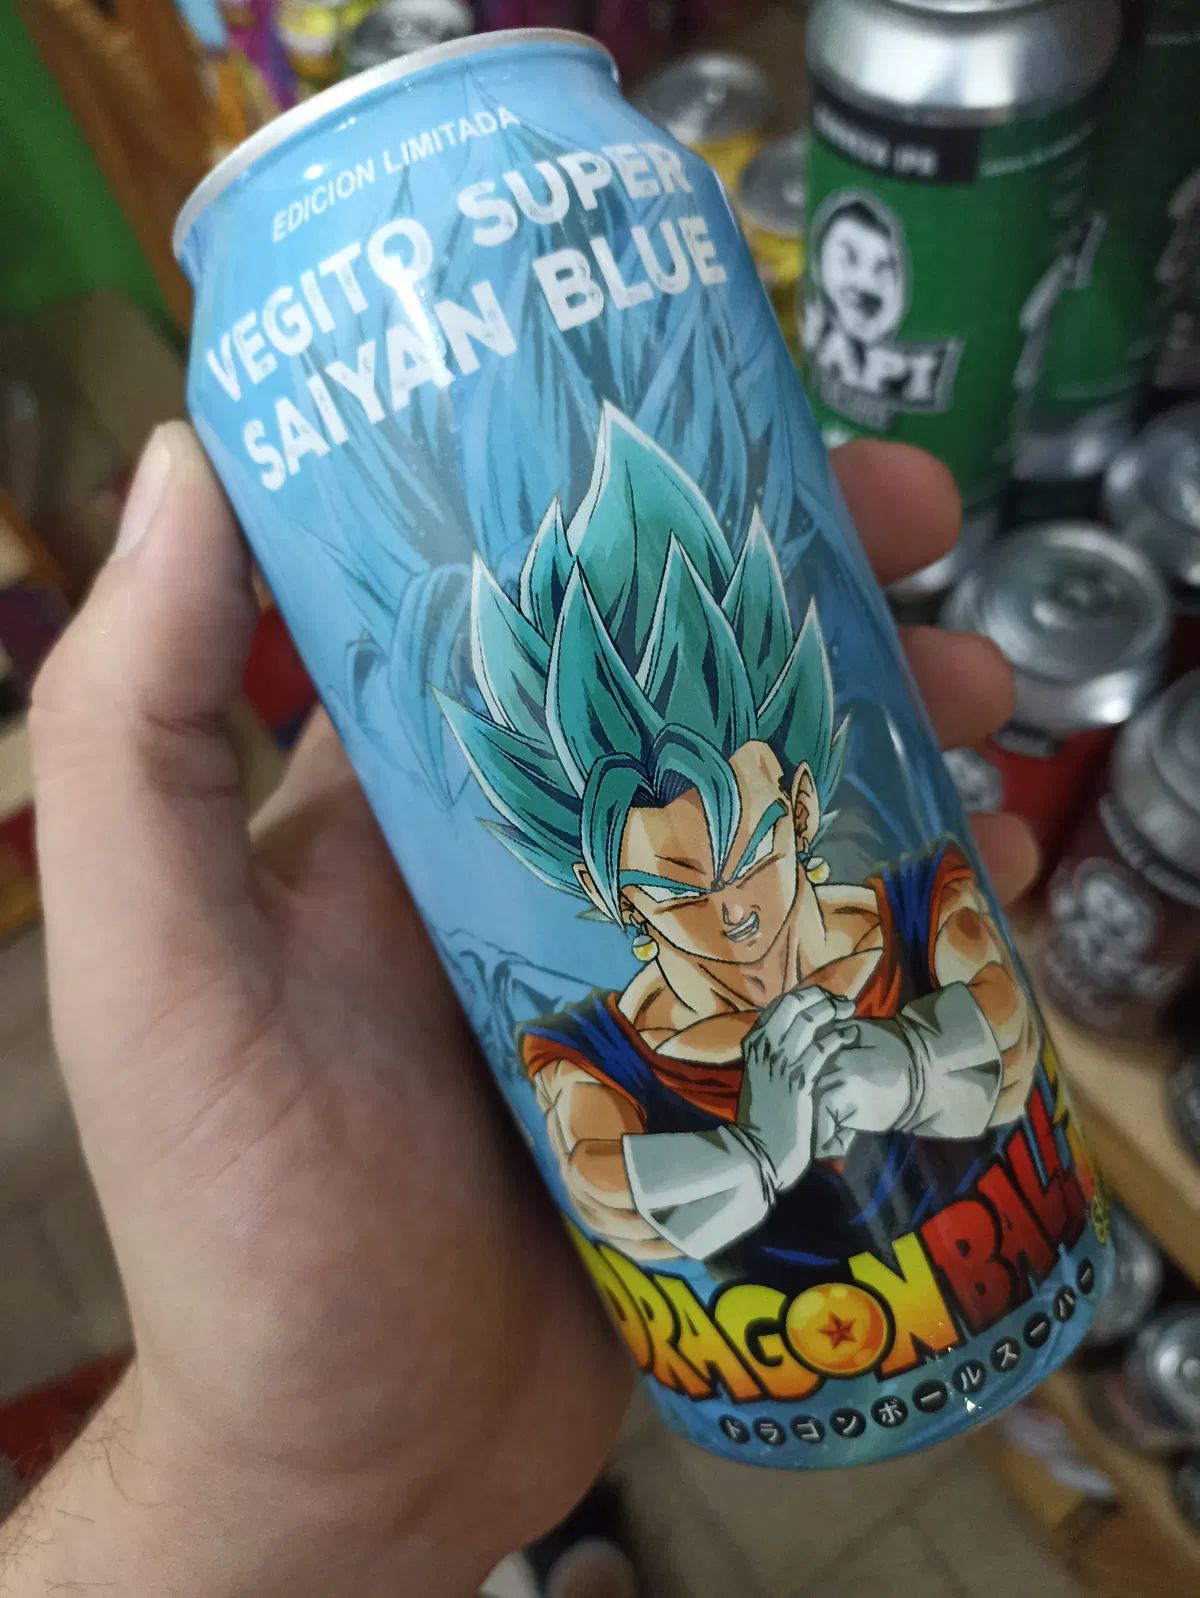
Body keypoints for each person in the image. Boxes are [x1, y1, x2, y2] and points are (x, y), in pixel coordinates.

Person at [0, 423, 1033, 1595]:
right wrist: (761, 1143)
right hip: (711, 1366)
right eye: (672, 892)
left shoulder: (920, 907)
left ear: (799, 803)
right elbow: (627, 1196)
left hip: (992, 1279)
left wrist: (899, 1065)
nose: (732, 911)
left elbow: (997, 1037)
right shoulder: (590, 1060)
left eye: (749, 848)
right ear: (608, 896)